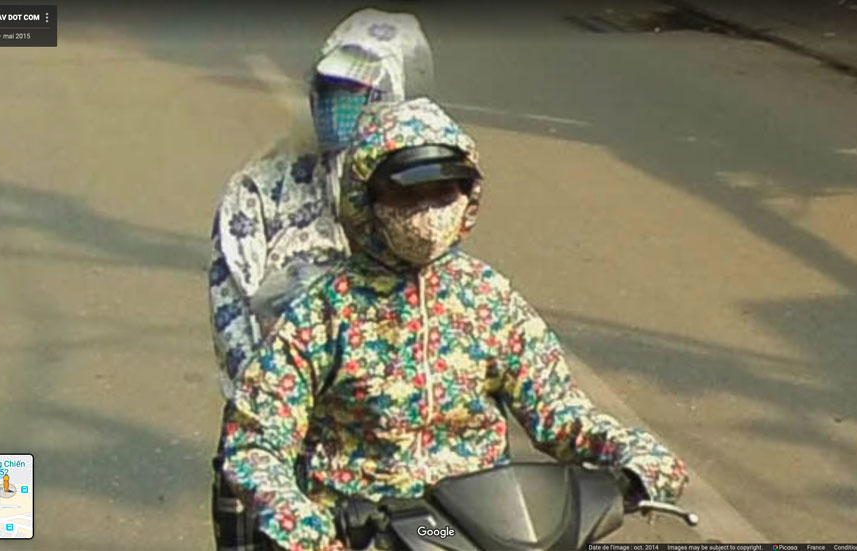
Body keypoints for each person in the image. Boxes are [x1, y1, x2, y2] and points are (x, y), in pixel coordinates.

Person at [217, 98, 690, 551]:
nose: (427, 213)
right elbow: (256, 441)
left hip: (477, 530)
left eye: (443, 194)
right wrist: (310, 526)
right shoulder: (325, 310)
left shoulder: (487, 298)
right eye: (408, 195)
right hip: (374, 533)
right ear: (367, 200)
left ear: (468, 197)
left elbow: (558, 410)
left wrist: (633, 458)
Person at [207, 9, 435, 548]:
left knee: (446, 536)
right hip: (282, 446)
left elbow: (524, 378)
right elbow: (230, 307)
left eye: (354, 94)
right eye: (328, 91)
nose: (336, 108)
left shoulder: (429, 197)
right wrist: (274, 408)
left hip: (407, 475)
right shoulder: (263, 187)